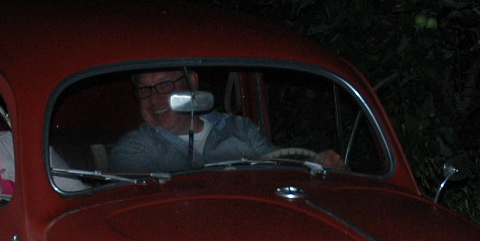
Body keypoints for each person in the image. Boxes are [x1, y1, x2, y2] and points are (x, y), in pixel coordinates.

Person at [108, 69, 343, 172]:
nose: (154, 99)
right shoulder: (134, 149)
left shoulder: (240, 129)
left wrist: (316, 163)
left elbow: (278, 166)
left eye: (164, 85)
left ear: (192, 82)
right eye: (144, 90)